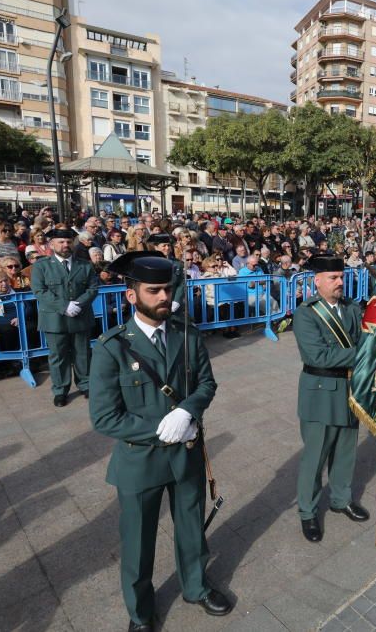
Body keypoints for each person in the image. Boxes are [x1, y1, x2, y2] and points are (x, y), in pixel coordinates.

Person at [89, 252, 230, 630]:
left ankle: (196, 586)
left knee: (191, 527)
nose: (164, 296)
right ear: (131, 295)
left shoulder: (186, 334)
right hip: (140, 461)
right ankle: (140, 612)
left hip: (186, 454)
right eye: (154, 290)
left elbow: (206, 383)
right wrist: (159, 430)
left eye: (167, 288)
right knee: (137, 542)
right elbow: (104, 417)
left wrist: (188, 411)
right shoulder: (111, 348)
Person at [293, 253, 369, 543]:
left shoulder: (351, 308)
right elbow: (318, 356)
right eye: (333, 278)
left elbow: (365, 338)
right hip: (321, 393)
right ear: (317, 281)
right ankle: (308, 512)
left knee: (345, 452)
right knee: (315, 457)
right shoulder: (306, 313)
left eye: (342, 277)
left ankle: (341, 499)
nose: (340, 282)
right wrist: (364, 353)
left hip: (351, 389)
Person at [30, 229, 100, 407]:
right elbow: (39, 291)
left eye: (68, 242)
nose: (65, 245)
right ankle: (60, 390)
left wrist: (78, 304)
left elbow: (93, 288)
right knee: (58, 356)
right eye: (60, 242)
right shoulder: (41, 266)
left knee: (83, 354)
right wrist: (64, 306)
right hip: (55, 319)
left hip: (80, 316)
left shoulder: (84, 265)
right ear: (51, 244)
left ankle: (85, 384)